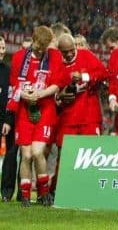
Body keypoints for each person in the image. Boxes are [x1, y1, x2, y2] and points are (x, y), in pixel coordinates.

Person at [5, 26, 68, 206]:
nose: (40, 51)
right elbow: (14, 86)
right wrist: (25, 94)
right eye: (38, 46)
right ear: (33, 40)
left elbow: (57, 84)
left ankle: (43, 192)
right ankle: (25, 195)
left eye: (43, 47)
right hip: (25, 110)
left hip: (45, 109)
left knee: (38, 152)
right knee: (26, 156)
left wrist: (40, 94)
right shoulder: (19, 58)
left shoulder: (54, 57)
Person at [53, 34, 108, 193]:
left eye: (71, 50)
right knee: (64, 156)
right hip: (67, 118)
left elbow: (104, 74)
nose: (69, 54)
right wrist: (60, 96)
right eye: (65, 52)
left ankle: (90, 191)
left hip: (89, 117)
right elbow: (54, 88)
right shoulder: (57, 63)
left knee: (92, 155)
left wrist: (85, 76)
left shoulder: (86, 55)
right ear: (59, 51)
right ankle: (58, 191)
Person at [0, 35, 18, 202]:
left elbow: (12, 96)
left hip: (6, 119)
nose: (1, 51)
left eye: (3, 48)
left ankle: (6, 192)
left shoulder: (8, 71)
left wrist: (8, 120)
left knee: (11, 155)